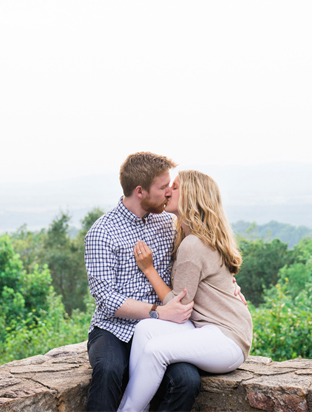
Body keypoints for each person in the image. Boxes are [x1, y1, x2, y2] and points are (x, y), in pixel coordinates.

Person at [117, 170, 253, 412]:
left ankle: (128, 410)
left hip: (227, 340)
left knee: (156, 350)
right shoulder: (192, 236)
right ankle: (140, 402)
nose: (168, 190)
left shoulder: (193, 244)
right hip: (207, 328)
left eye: (176, 187)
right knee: (146, 328)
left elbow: (178, 309)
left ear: (192, 196)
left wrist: (148, 270)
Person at [84, 152, 200, 412]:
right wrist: (158, 312)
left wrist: (228, 284)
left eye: (171, 186)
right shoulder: (102, 233)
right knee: (109, 369)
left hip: (161, 332)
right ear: (140, 191)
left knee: (187, 381)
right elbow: (106, 299)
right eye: (162, 187)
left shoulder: (168, 223)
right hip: (114, 329)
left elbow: (199, 256)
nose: (169, 192)